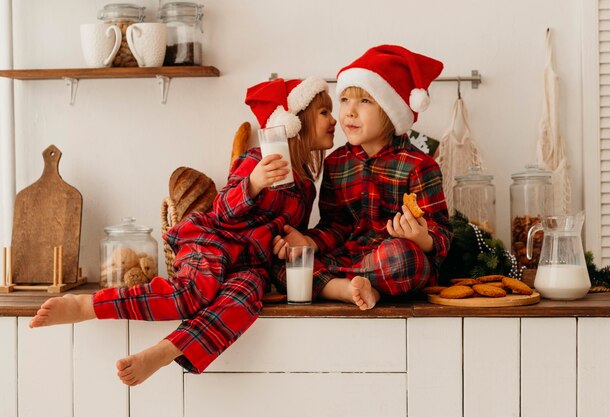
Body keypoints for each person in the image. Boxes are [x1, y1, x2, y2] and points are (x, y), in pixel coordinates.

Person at [29, 76, 336, 386]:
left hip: (252, 266)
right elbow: (223, 210)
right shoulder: (255, 160)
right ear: (295, 122)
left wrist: (286, 245)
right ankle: (88, 305)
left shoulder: (307, 189)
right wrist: (254, 183)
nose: (334, 119)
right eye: (325, 112)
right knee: (193, 291)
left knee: (244, 298)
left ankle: (163, 352)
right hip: (216, 244)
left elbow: (284, 236)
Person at [272, 45, 453, 310]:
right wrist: (308, 243)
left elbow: (442, 232)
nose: (349, 112)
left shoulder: (419, 165)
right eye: (345, 100)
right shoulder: (337, 163)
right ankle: (348, 289)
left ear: (391, 111)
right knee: (284, 260)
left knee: (404, 259)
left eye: (365, 101)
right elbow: (336, 225)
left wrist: (421, 238)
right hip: (347, 255)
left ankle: (338, 286)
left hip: (392, 260)